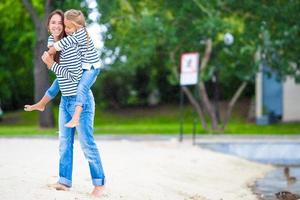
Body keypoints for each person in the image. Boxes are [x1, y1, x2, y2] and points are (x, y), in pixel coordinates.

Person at [24, 10, 105, 197]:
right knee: (64, 143)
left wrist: (52, 65)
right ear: (48, 26)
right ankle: (64, 181)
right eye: (53, 22)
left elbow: (76, 78)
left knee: (87, 144)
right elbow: (59, 82)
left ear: (67, 26)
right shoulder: (53, 44)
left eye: (60, 23)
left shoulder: (71, 46)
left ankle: (99, 183)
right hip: (65, 102)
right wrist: (43, 101)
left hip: (82, 102)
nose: (57, 26)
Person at [47, 9, 102, 128]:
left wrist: (53, 49)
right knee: (59, 80)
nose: (66, 30)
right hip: (85, 66)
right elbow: (54, 38)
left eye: (69, 27)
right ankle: (44, 101)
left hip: (91, 68)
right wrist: (51, 43)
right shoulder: (74, 32)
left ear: (77, 26)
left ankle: (76, 118)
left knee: (81, 87)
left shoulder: (80, 34)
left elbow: (66, 41)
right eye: (65, 26)